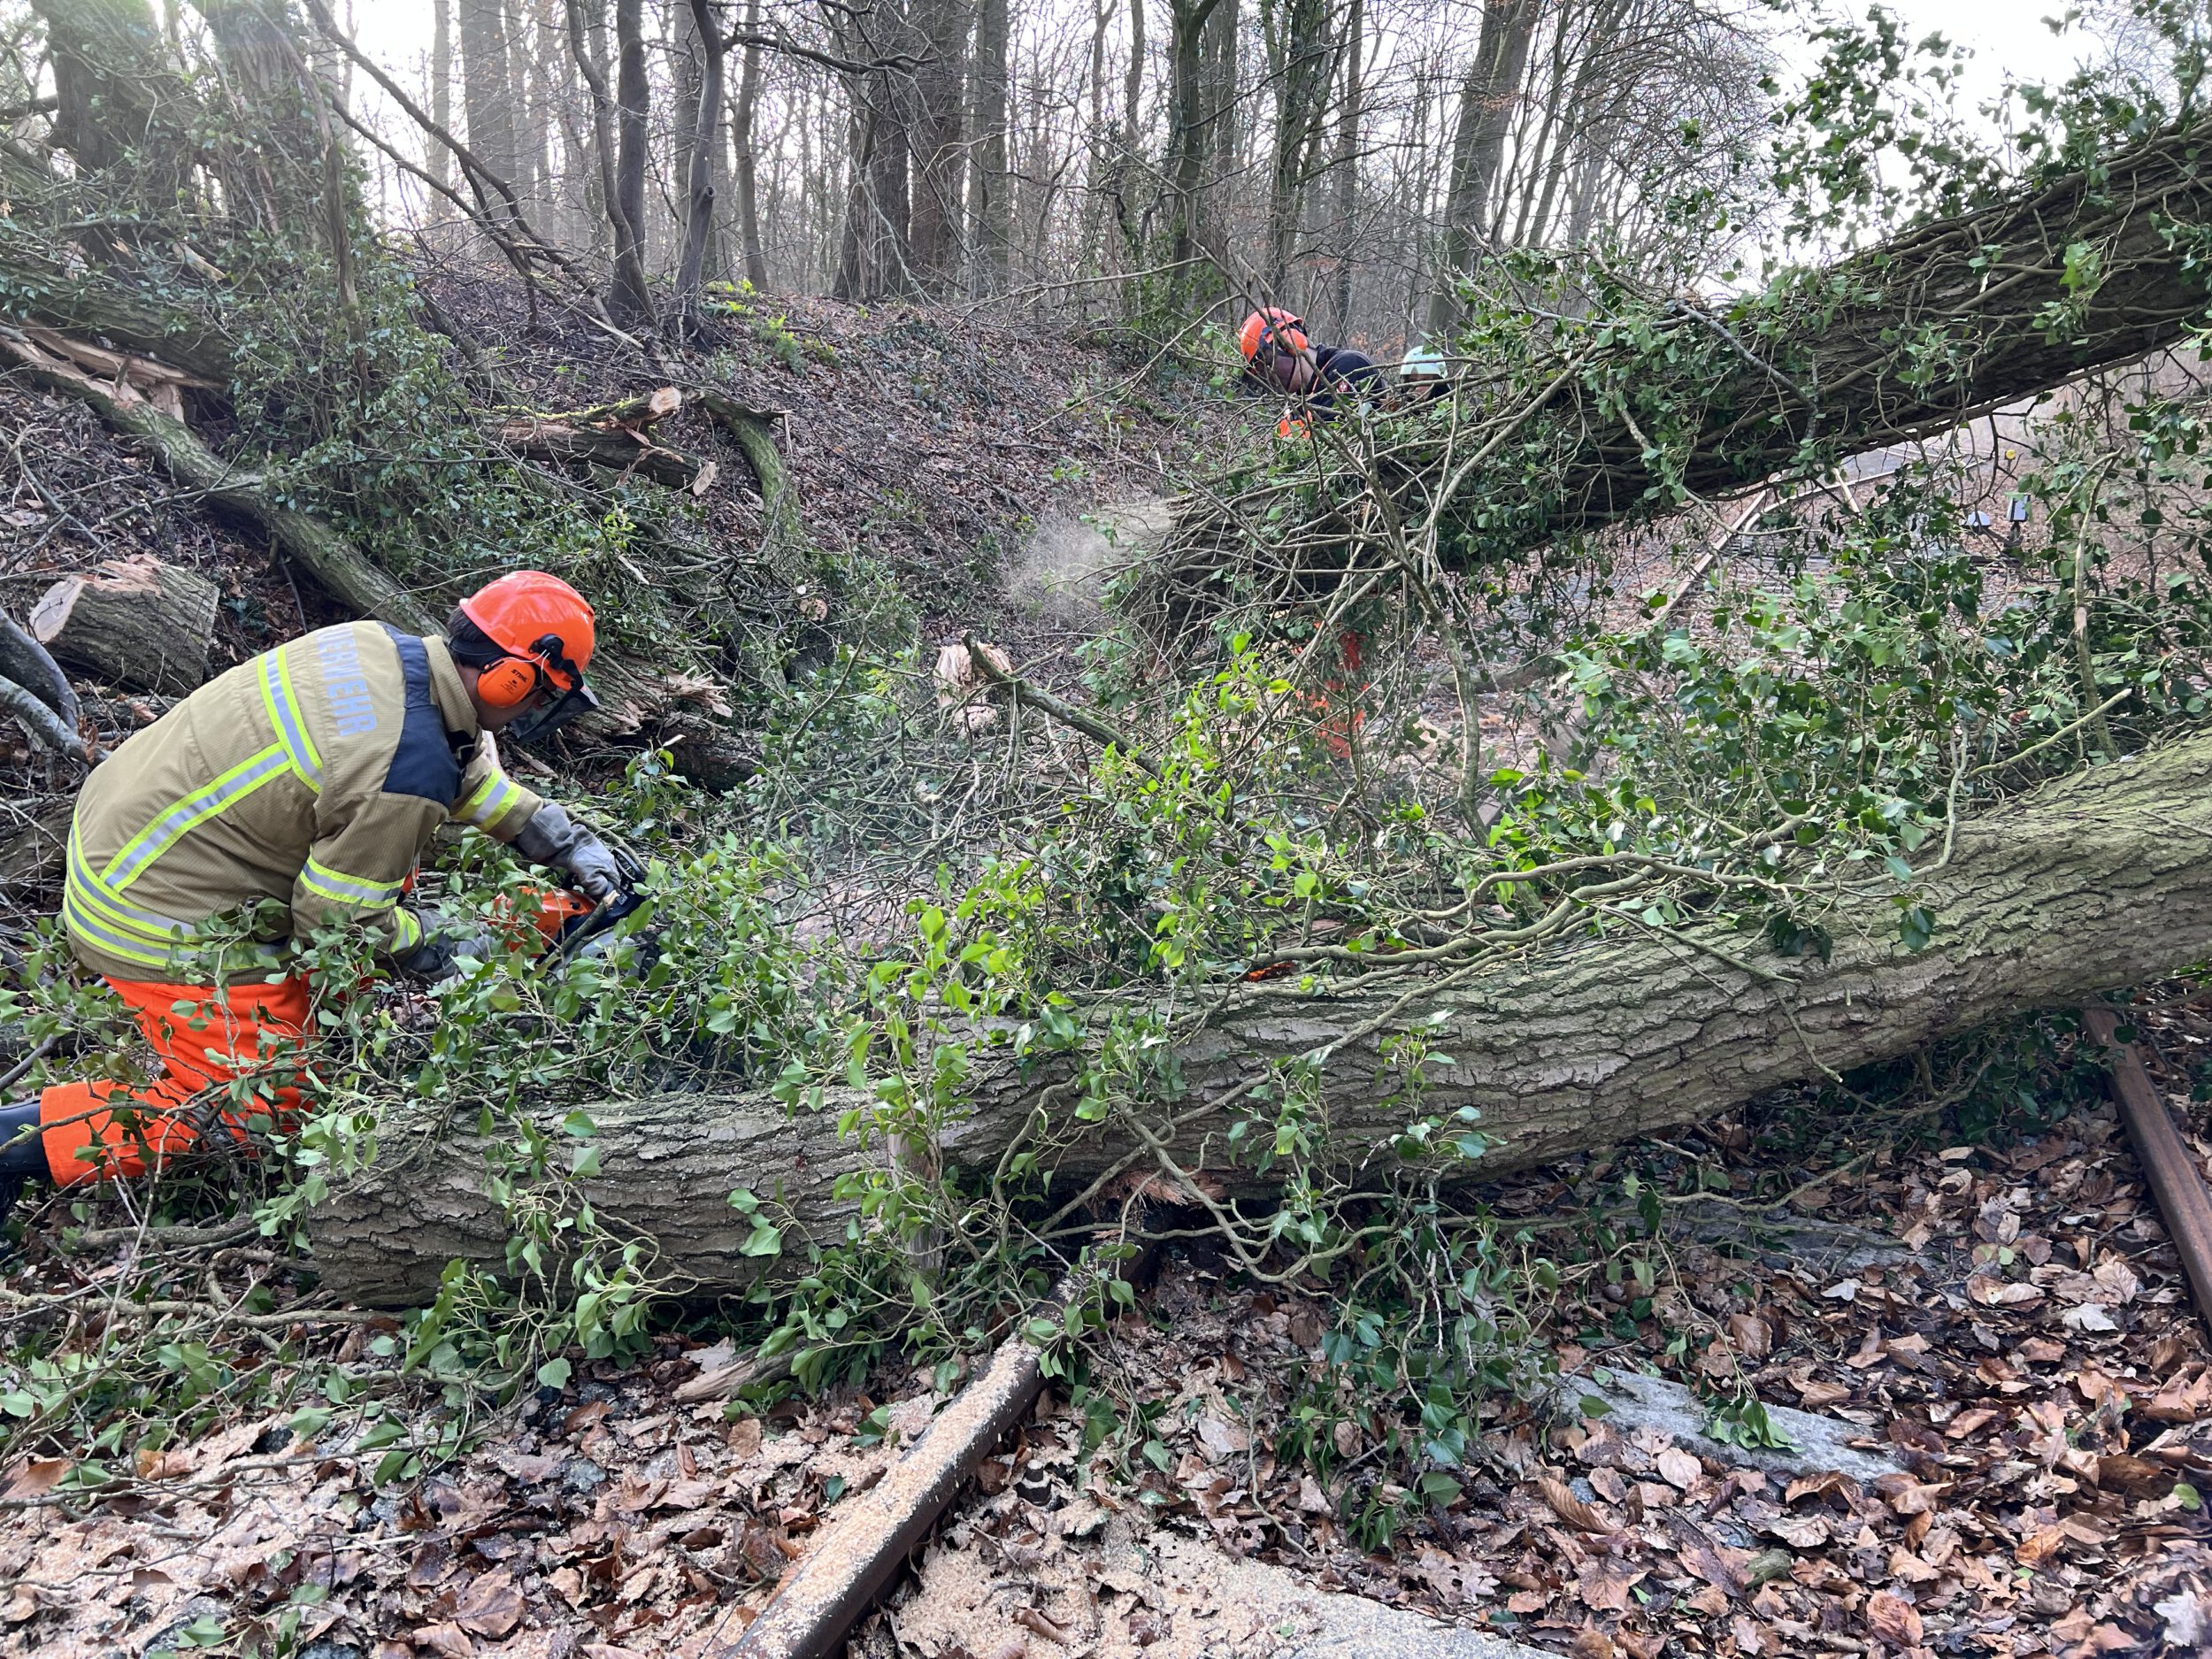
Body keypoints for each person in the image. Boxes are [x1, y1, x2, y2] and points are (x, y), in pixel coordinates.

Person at [0, 571, 625, 1225]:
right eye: (538, 697)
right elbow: (339, 921)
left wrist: (554, 835)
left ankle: (303, 1018)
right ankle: (16, 1143)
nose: (530, 712)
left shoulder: (380, 649)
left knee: (379, 868)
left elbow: (442, 762)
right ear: (511, 679)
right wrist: (436, 941)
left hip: (122, 839)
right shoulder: (404, 769)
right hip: (151, 914)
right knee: (262, 1106)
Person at [1237, 307, 1382, 435]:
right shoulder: (1297, 408)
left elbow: (1336, 438)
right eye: (1262, 372)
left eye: (1269, 363)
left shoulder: (1348, 366)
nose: (1270, 376)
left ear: (1291, 341)